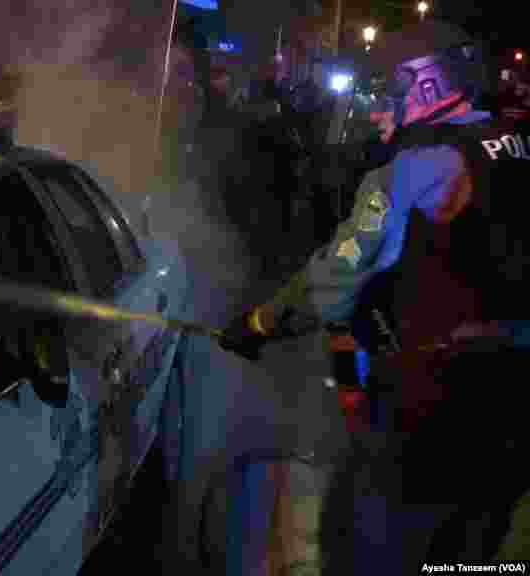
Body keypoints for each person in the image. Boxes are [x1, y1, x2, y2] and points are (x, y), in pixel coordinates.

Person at [217, 19, 530, 571]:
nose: (378, 110)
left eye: (389, 94)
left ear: (429, 86)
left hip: (433, 414)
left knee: (368, 548)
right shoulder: (516, 143)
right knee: (473, 552)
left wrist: (261, 323)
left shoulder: (414, 168)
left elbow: (331, 285)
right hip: (514, 413)